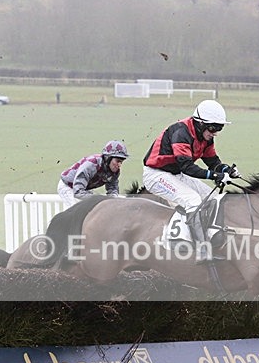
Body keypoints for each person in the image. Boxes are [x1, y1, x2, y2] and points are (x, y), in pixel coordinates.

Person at [142, 99, 240, 262]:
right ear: (200, 123)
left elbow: (212, 162)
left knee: (212, 197)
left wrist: (226, 170)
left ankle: (210, 237)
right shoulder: (181, 133)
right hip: (156, 175)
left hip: (175, 173)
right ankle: (201, 250)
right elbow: (187, 167)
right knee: (192, 200)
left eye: (219, 128)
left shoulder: (206, 137)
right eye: (213, 128)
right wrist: (215, 176)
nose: (215, 133)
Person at [57, 140, 129, 209]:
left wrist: (112, 200)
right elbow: (78, 192)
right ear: (108, 158)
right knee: (77, 211)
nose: (119, 165)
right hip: (67, 186)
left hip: (83, 189)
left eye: (121, 162)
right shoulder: (91, 165)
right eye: (117, 161)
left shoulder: (115, 172)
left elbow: (113, 190)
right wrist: (99, 198)